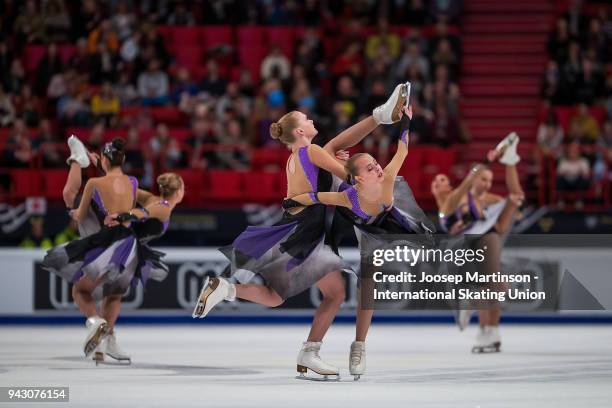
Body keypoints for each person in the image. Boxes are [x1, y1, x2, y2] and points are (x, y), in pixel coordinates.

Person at [193, 82, 411, 380]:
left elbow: (332, 168)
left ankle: (227, 289)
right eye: (305, 119)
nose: (311, 120)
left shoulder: (293, 159)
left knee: (277, 296)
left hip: (296, 228)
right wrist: (372, 185)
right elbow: (349, 177)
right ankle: (309, 351)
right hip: (305, 230)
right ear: (299, 132)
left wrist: (340, 165)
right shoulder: (312, 150)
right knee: (333, 294)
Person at [282, 103, 435, 380]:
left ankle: (359, 345)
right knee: (366, 283)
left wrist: (407, 122)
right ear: (358, 177)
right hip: (355, 219)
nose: (377, 167)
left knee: (379, 274)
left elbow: (402, 149)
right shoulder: (347, 195)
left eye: (375, 164)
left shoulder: (386, 180)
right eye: (370, 166)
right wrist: (293, 201)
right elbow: (318, 197)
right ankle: (357, 347)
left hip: (387, 223)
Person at [41, 137, 172, 364]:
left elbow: (80, 212)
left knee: (81, 292)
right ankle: (108, 339)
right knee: (114, 293)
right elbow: (144, 198)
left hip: (105, 242)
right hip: (129, 244)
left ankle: (95, 323)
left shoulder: (93, 183)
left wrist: (74, 214)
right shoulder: (132, 181)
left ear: (103, 159)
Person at [431, 132, 525, 353]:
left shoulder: (488, 200)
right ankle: (484, 325)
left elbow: (505, 214)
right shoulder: (454, 199)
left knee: (496, 286)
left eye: (489, 180)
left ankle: (489, 330)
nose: (487, 183)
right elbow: (454, 200)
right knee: (492, 285)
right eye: (484, 178)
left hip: (485, 239)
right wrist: (485, 162)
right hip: (465, 248)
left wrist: (490, 164)